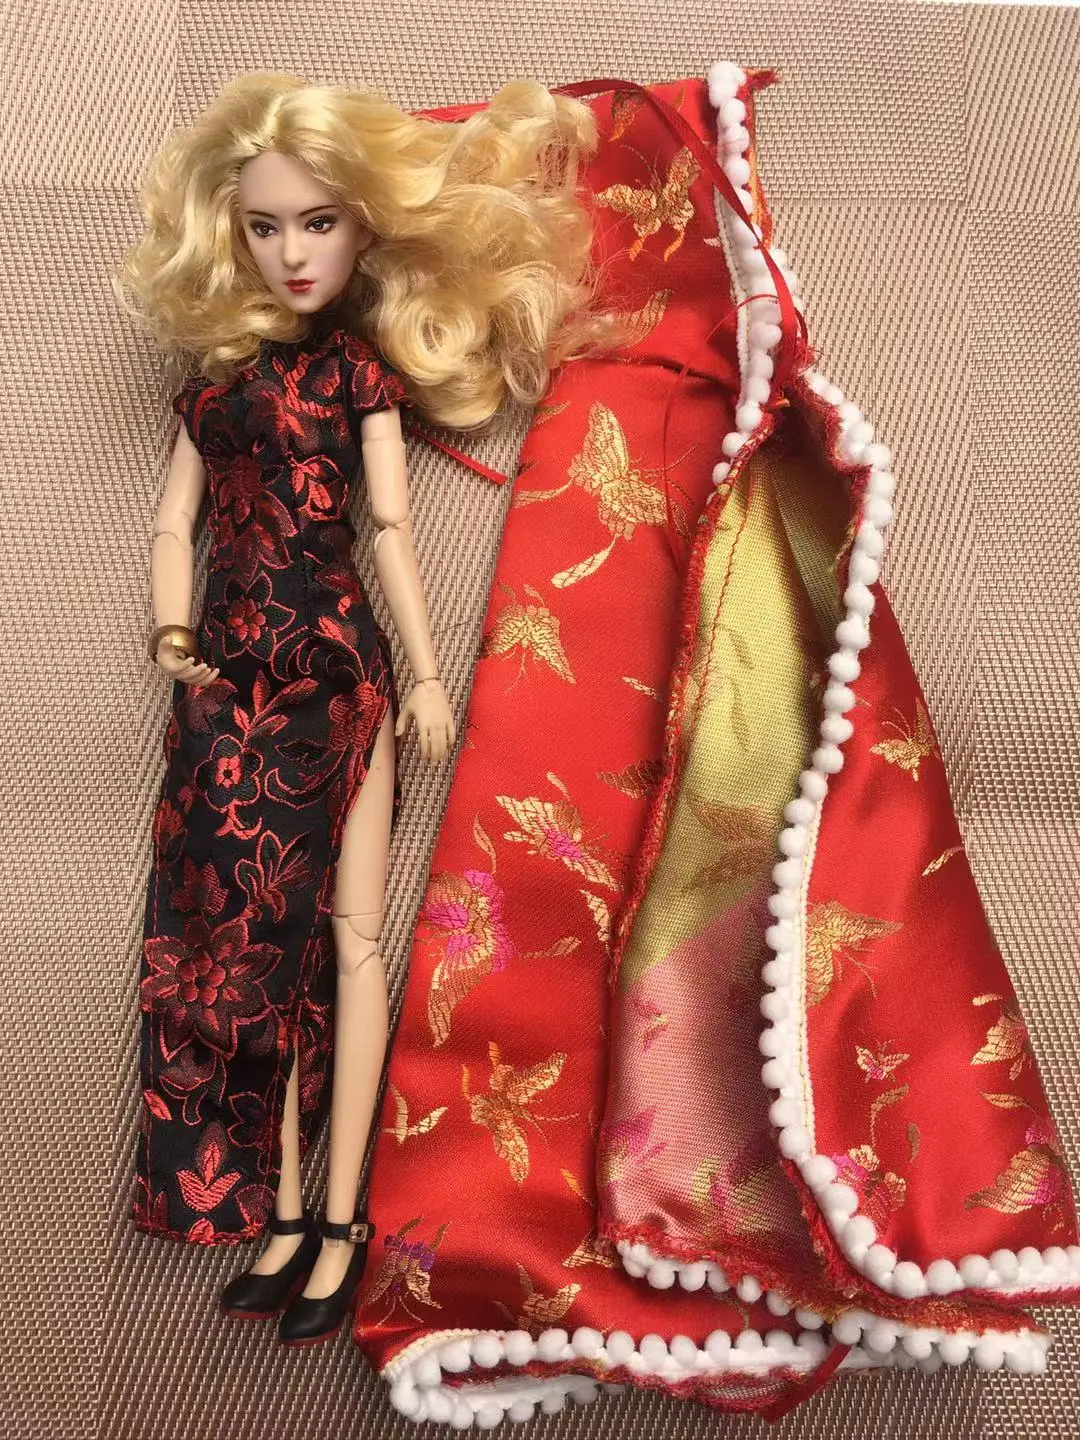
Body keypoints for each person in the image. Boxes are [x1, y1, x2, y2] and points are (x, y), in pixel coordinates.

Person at [114, 70, 624, 1345]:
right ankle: (281, 1212)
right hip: (229, 685)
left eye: (319, 222)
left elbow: (390, 531)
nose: (294, 252)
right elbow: (173, 524)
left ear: (363, 229)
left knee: (349, 941)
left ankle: (343, 1223)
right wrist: (174, 631)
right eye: (266, 226)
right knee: (247, 941)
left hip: (339, 677)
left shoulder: (356, 379)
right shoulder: (217, 389)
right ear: (228, 231)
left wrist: (431, 675)